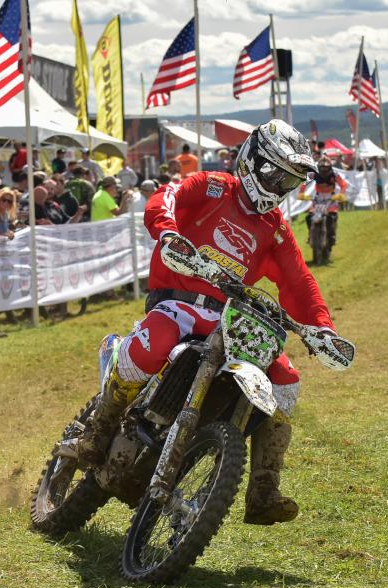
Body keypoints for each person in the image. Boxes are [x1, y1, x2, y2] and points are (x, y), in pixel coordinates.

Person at [77, 119, 345, 526]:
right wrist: (167, 233)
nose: (277, 187)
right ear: (253, 161)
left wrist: (322, 327)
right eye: (274, 174)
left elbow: (299, 281)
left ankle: (263, 488)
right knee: (158, 340)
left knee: (286, 378)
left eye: (287, 182)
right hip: (179, 301)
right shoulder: (213, 186)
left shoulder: (275, 228)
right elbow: (168, 197)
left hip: (228, 318)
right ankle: (101, 425)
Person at [300, 156, 348, 259]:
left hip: (331, 198)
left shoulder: (335, 173)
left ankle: (332, 236)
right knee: (309, 217)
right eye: (322, 167)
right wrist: (301, 193)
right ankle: (311, 234)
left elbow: (343, 184)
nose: (324, 169)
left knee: (332, 217)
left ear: (330, 166)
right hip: (318, 199)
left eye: (326, 167)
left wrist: (341, 194)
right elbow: (304, 181)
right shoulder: (314, 173)